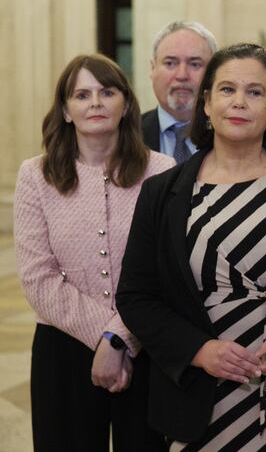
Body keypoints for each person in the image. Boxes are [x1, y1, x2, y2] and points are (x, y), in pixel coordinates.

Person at [117, 43, 266, 450]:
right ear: (207, 104)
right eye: (227, 89)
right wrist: (200, 350)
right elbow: (136, 296)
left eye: (255, 92)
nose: (239, 102)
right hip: (202, 393)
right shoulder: (162, 193)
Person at [13, 54, 174, 451]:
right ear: (66, 111)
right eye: (81, 95)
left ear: (125, 104)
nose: (96, 102)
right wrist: (104, 336)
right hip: (62, 350)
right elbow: (38, 278)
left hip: (146, 344)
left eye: (107, 91)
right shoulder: (35, 175)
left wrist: (119, 338)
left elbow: (166, 268)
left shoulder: (162, 171)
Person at [141, 20, 218, 163]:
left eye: (195, 64)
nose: (182, 75)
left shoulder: (231, 135)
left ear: (213, 73)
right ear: (152, 68)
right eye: (170, 63)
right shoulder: (125, 135)